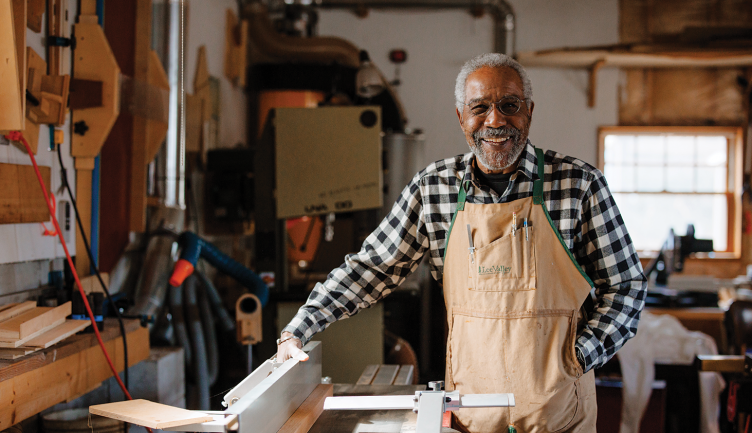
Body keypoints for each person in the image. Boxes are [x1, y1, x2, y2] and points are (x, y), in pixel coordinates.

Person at [277, 53, 647, 433]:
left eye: (509, 106)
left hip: (560, 414)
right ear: (461, 118)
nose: (495, 120)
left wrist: (578, 357)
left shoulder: (579, 185)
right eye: (480, 108)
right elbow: (371, 267)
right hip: (472, 414)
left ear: (529, 112)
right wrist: (300, 328)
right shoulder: (433, 188)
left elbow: (627, 287)